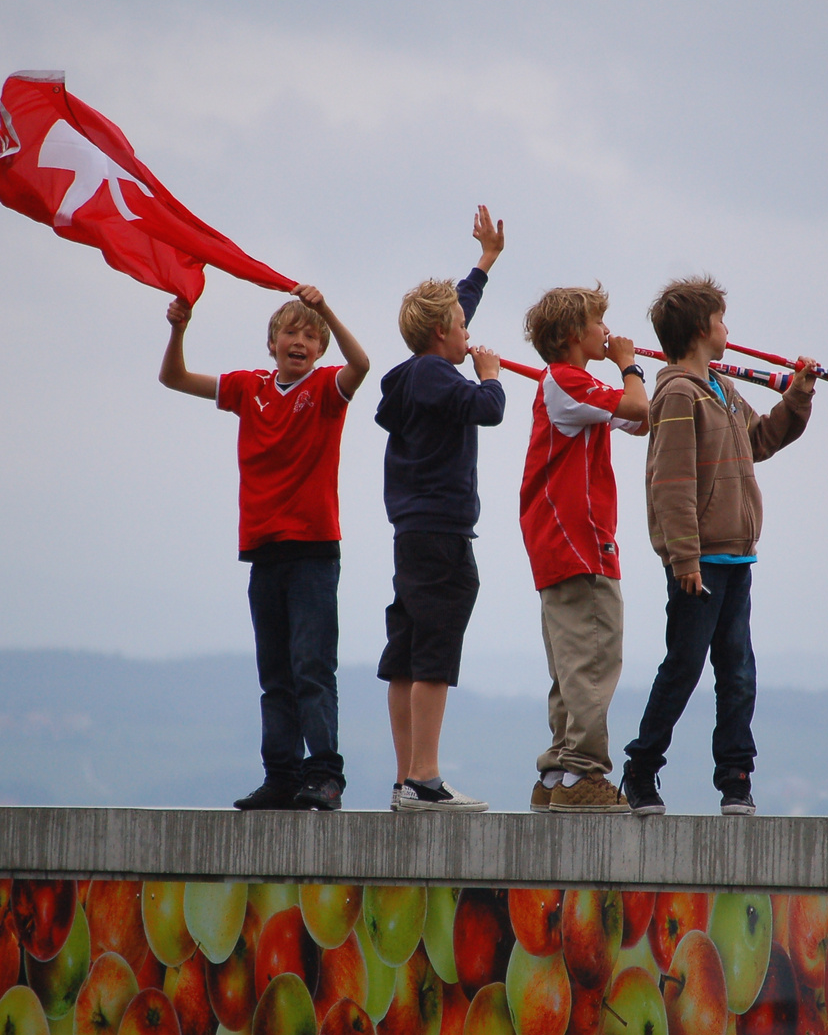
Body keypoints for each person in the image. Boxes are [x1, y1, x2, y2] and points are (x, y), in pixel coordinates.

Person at [159, 282, 369, 811]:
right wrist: (178, 329)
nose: (299, 340)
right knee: (274, 675)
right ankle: (281, 774)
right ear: (271, 342)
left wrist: (327, 309)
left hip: (314, 550)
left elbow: (362, 363)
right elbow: (173, 377)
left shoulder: (324, 389)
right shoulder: (247, 387)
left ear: (320, 349)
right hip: (263, 549)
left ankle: (324, 774)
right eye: (290, 331)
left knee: (312, 668)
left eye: (310, 335)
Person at [620, 276, 817, 816]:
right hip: (700, 562)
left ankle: (735, 778)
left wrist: (796, 397)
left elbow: (760, 441)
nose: (729, 328)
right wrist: (684, 558)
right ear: (703, 329)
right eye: (723, 319)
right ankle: (641, 768)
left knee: (737, 671)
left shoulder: (724, 391)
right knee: (684, 666)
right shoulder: (680, 393)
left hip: (736, 554)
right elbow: (672, 482)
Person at [374, 206, 507, 812]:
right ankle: (426, 778)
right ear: (440, 337)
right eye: (459, 324)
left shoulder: (412, 374)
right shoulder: (438, 377)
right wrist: (491, 376)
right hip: (442, 534)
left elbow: (455, 314)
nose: (467, 329)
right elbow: (489, 409)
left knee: (407, 650)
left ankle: (407, 778)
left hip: (411, 534)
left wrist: (483, 264)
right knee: (434, 649)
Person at [517, 286, 648, 813]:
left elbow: (639, 420)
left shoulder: (574, 386)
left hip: (560, 543)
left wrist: (629, 378)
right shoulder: (567, 382)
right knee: (594, 657)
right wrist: (630, 364)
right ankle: (585, 774)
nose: (606, 332)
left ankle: (558, 772)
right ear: (574, 334)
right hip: (579, 541)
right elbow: (637, 402)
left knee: (571, 663)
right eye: (599, 323)